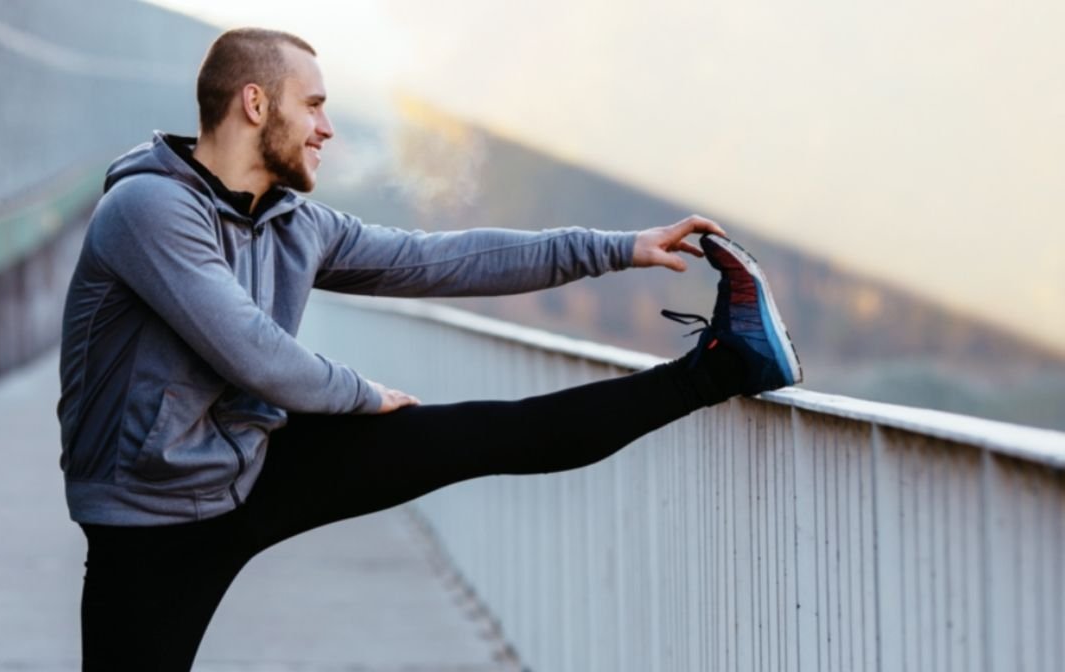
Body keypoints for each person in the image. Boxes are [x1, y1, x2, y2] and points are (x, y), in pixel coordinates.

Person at [57, 27, 802, 671]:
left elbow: (443, 260)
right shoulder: (148, 208)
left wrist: (617, 248)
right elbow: (254, 355)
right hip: (146, 520)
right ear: (256, 104)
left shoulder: (293, 225)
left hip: (249, 472)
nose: (326, 127)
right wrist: (363, 395)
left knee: (484, 434)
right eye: (313, 104)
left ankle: (726, 365)